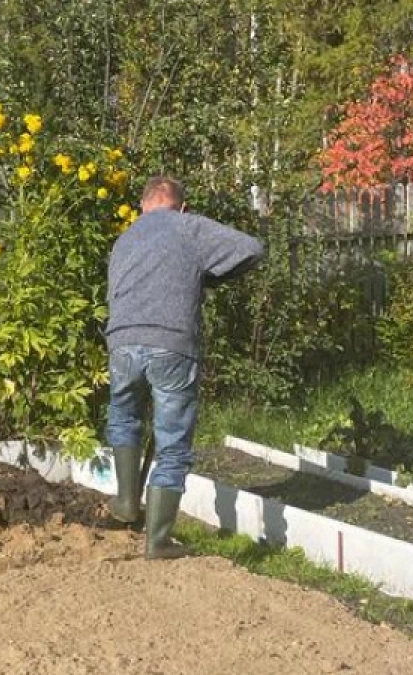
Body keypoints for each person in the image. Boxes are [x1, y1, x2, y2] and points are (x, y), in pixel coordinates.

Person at [105, 176, 265, 559]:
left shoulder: (125, 238)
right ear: (182, 207)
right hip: (171, 343)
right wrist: (211, 276)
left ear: (143, 206)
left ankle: (127, 502)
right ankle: (158, 541)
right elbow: (252, 249)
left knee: (124, 418)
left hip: (122, 341)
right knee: (172, 441)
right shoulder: (187, 226)